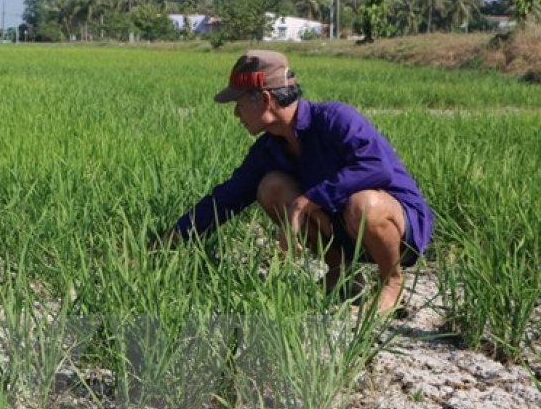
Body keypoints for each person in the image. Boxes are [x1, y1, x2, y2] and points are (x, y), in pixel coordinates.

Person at [165, 50, 433, 312]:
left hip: (396, 229)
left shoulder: (335, 118)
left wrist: (308, 200)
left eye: (240, 102)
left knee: (365, 204)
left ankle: (392, 281)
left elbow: (378, 169)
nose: (236, 113)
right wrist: (172, 237)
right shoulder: (269, 148)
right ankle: (342, 274)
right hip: (342, 231)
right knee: (272, 187)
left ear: (265, 99)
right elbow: (227, 198)